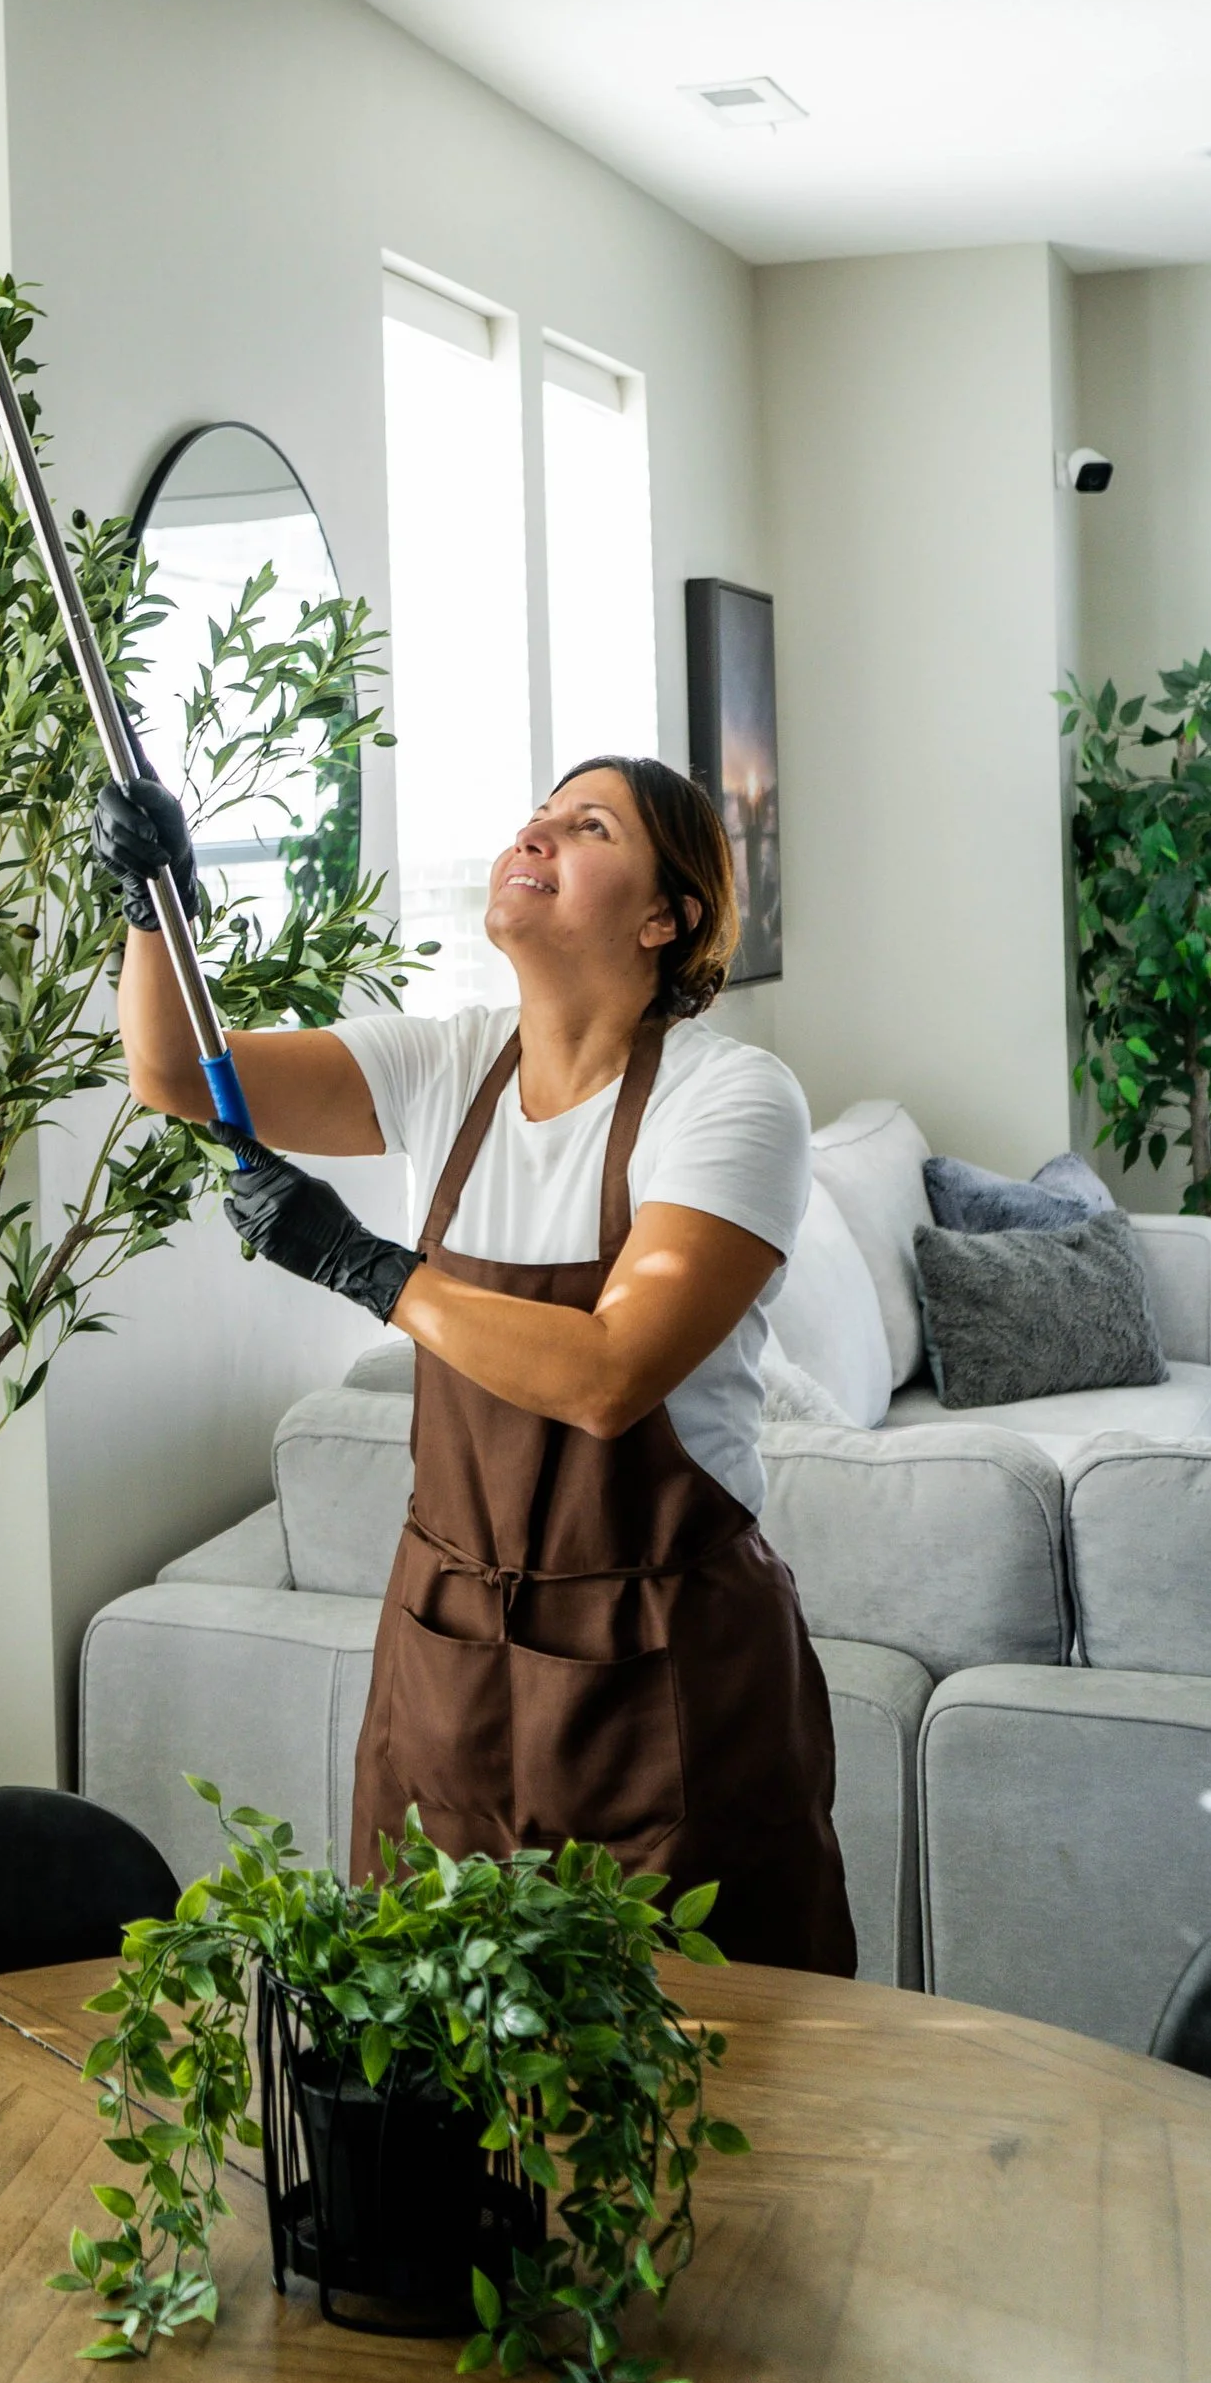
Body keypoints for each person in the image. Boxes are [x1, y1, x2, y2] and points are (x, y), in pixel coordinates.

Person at [95, 752, 854, 1975]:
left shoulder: (733, 1102)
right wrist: (153, 910)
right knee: (430, 2059)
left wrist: (365, 1267)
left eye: (587, 825)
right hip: (447, 1663)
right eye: (536, 816)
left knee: (705, 2063)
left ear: (669, 918)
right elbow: (178, 1075)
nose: (536, 834)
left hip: (665, 1679)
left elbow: (610, 1374)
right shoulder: (447, 1067)